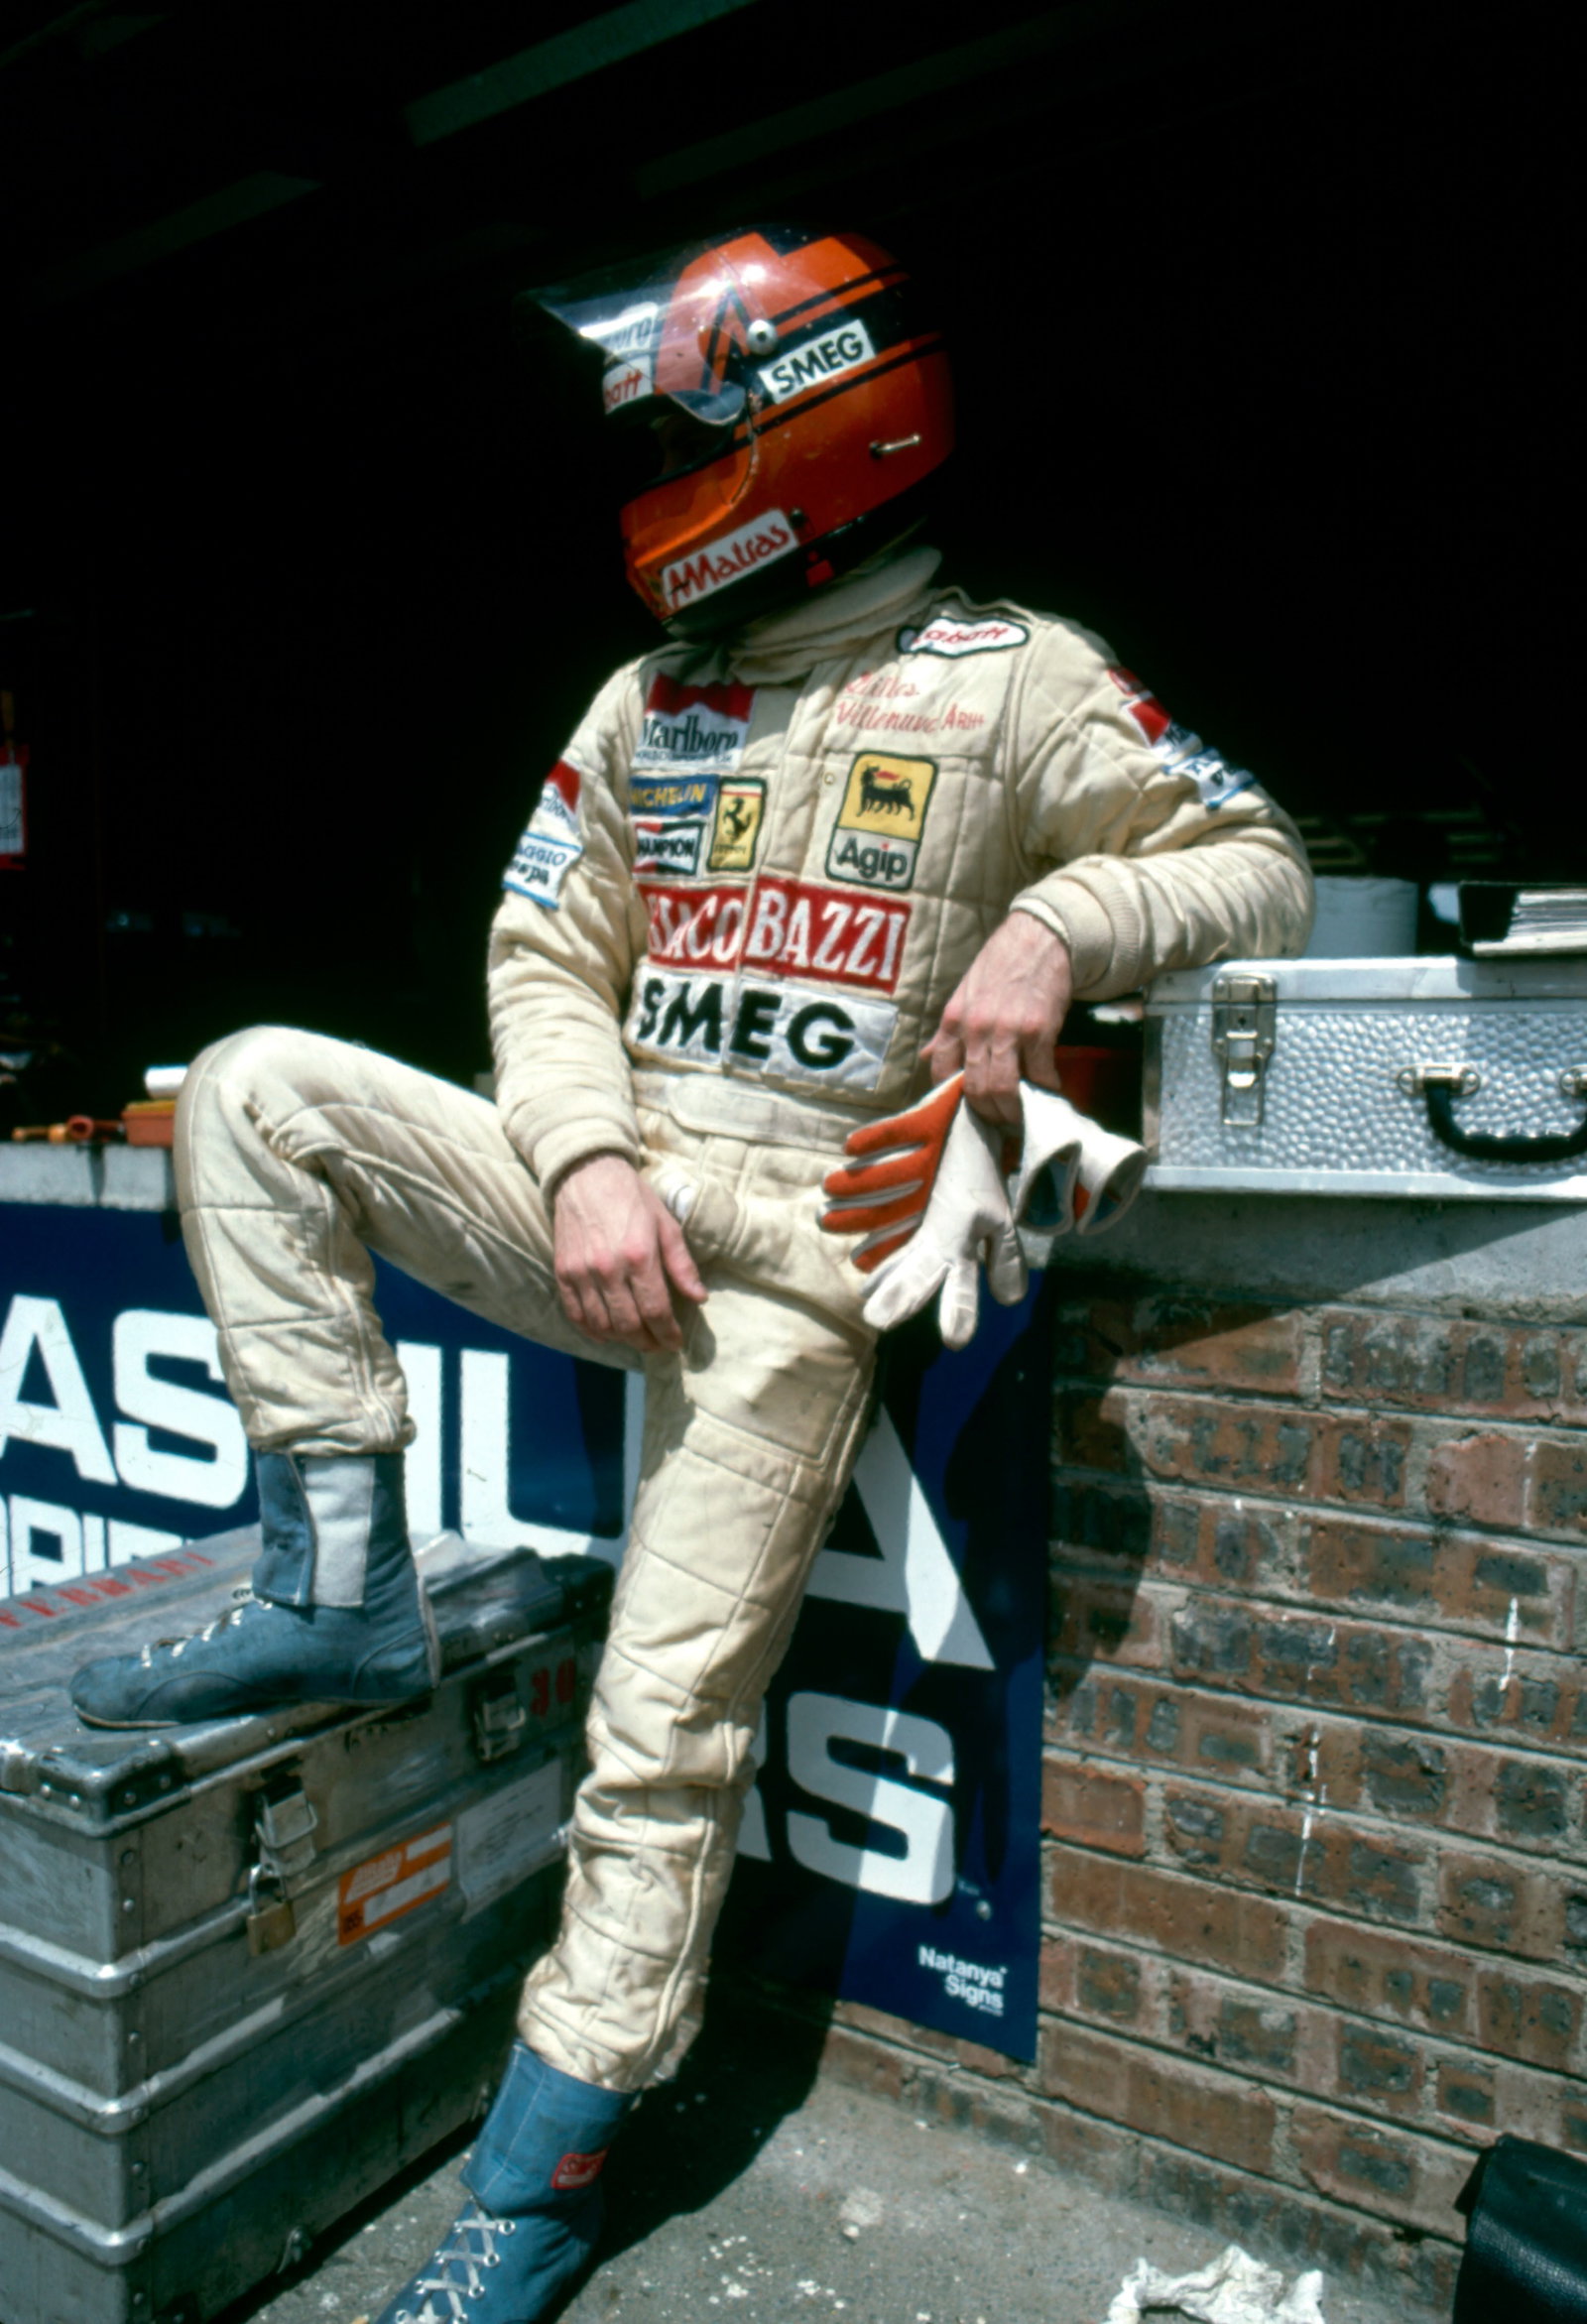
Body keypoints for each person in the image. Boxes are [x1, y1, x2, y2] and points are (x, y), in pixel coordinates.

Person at [69, 226, 1313, 2322]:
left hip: (799, 1277)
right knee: (256, 1085)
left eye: (683, 434)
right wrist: (572, 1152)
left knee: (657, 1736)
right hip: (616, 1202)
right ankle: (334, 1584)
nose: (652, 472)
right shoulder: (648, 696)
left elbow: (1253, 850)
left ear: (821, 425)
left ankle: (533, 2191)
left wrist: (1058, 922)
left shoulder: (1016, 673)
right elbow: (542, 953)